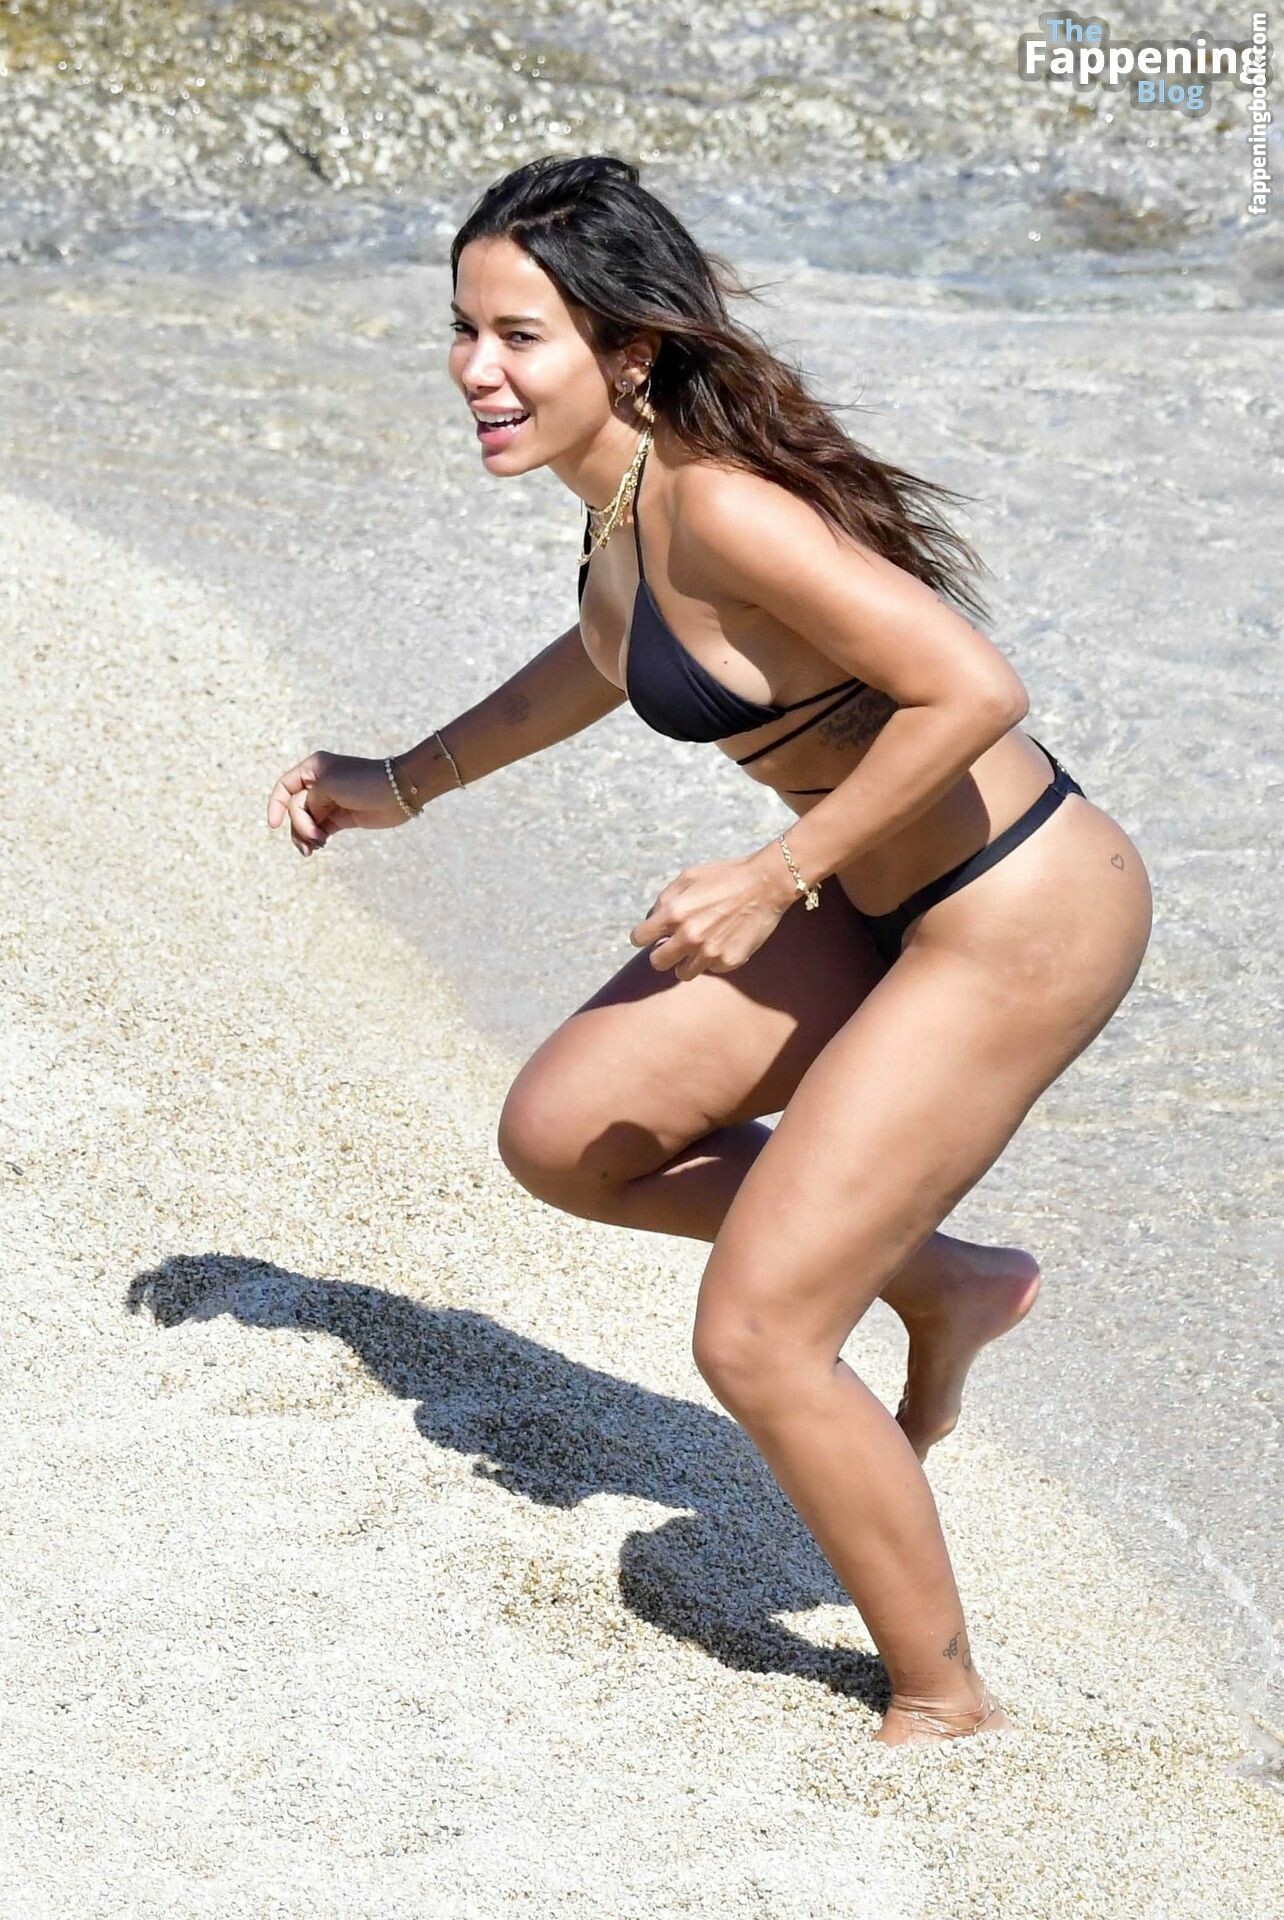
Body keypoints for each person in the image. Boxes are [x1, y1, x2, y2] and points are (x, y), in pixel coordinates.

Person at [266, 153, 1153, 1748]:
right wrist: (400, 781)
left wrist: (772, 873)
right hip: (873, 894)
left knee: (757, 1332)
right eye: (464, 330)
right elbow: (606, 655)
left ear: (628, 352)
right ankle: (945, 1280)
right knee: (565, 1136)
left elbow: (974, 688)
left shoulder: (721, 502)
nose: (476, 370)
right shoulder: (620, 508)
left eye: (518, 336)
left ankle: (944, 1696)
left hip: (1017, 912)